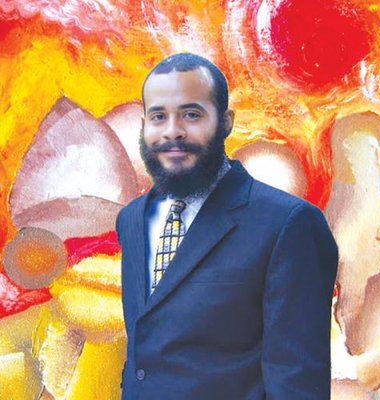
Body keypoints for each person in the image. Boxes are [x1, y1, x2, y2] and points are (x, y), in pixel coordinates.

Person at [116, 53, 338, 400]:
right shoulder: (131, 219)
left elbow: (297, 384)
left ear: (226, 122)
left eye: (191, 114)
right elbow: (145, 355)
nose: (172, 131)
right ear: (144, 125)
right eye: (159, 116)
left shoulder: (288, 224)